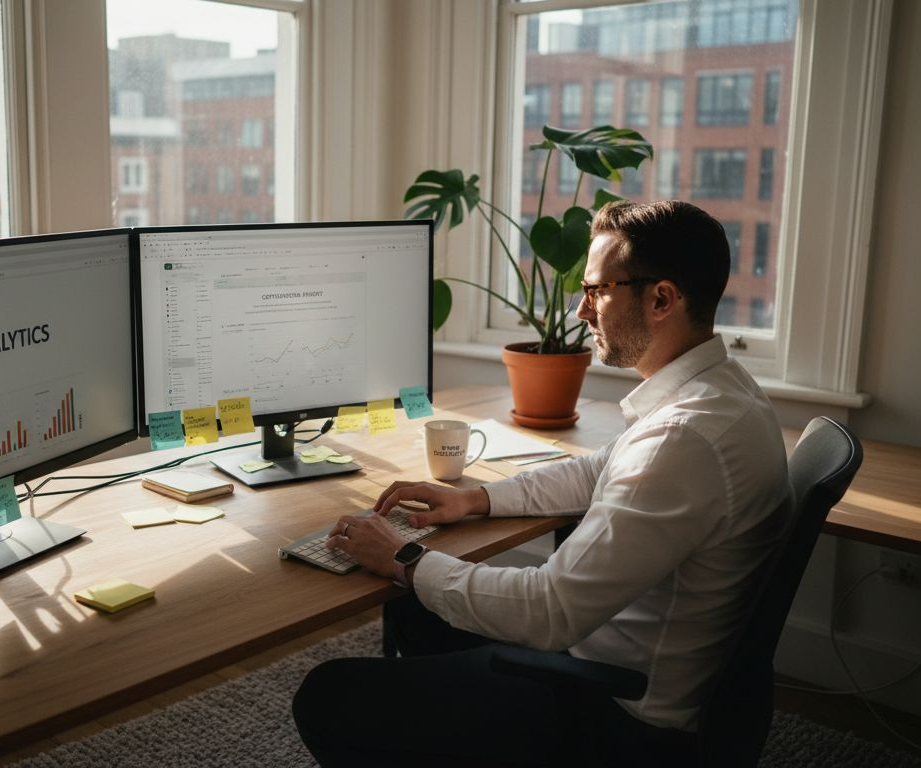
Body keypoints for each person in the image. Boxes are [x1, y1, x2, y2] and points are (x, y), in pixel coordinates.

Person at [292, 200, 792, 766]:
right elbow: (594, 470)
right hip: (619, 659)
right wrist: (473, 499)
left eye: (598, 290)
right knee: (418, 610)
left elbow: (550, 611)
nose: (581, 309)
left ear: (660, 299)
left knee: (329, 695)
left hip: (616, 711)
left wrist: (402, 555)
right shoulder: (723, 392)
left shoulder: (685, 438)